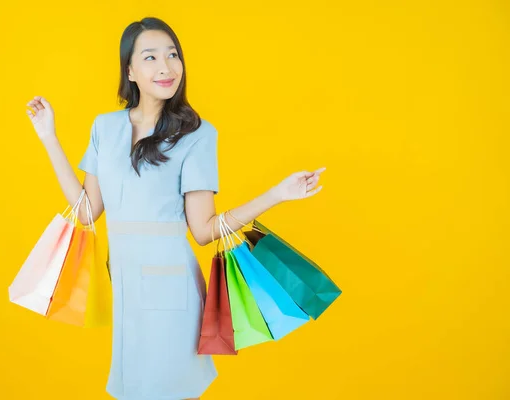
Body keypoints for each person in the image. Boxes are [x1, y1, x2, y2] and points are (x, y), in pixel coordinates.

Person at [25, 16, 326, 400]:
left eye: (172, 55)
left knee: (166, 389)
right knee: (132, 389)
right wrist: (49, 137)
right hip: (126, 287)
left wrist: (277, 194)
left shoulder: (197, 134)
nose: (166, 67)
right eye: (150, 57)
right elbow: (87, 212)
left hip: (172, 290)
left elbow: (204, 230)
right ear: (130, 70)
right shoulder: (105, 128)